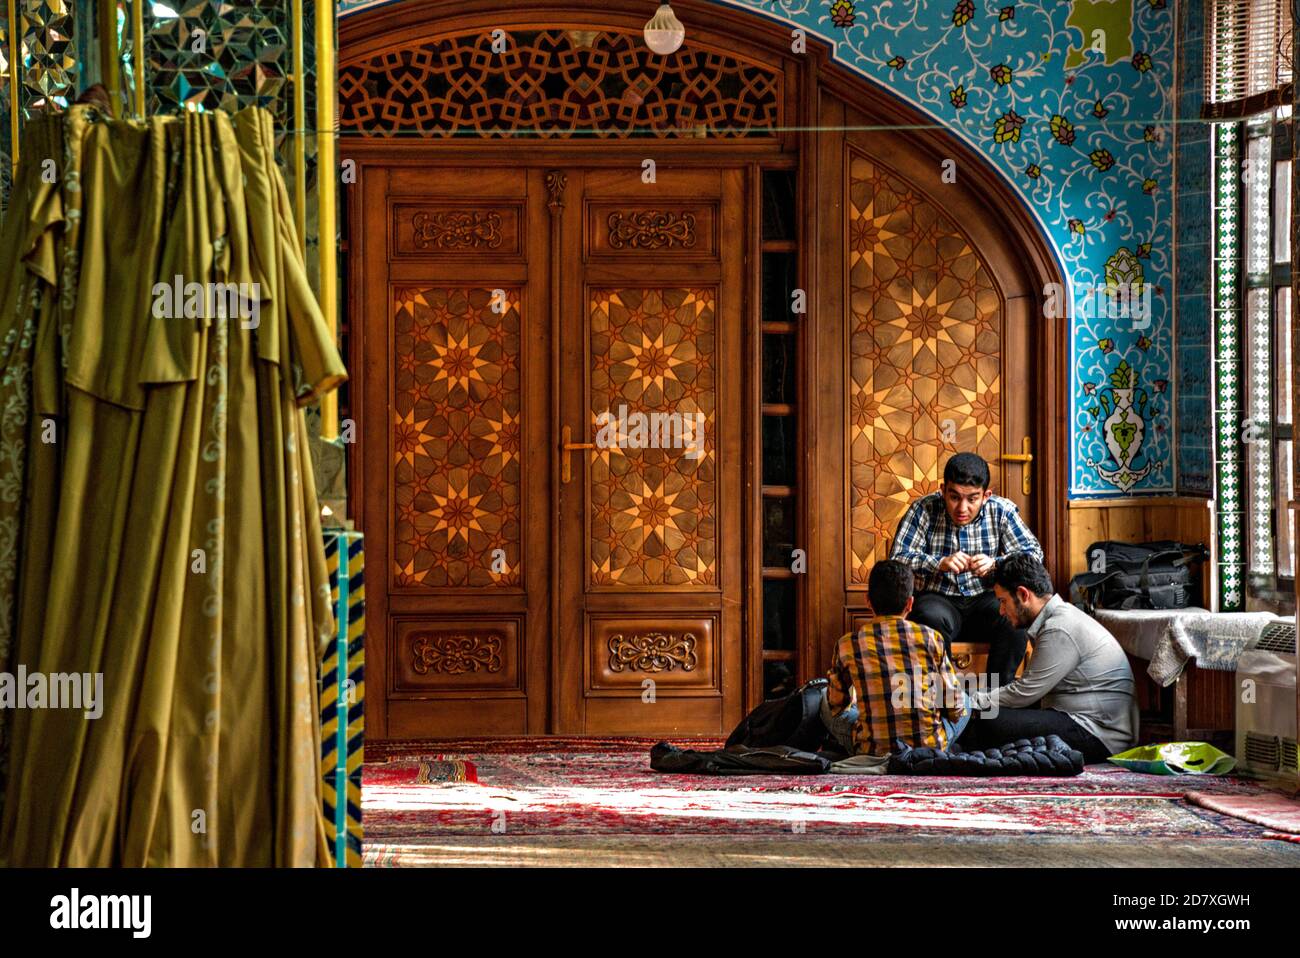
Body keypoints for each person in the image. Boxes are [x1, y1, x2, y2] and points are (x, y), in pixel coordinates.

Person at [960, 554, 1138, 764]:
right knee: (990, 715)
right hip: (1080, 720)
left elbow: (1025, 693)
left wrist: (968, 701)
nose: (1001, 610)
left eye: (1002, 601)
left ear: (1023, 594)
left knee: (988, 721)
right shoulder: (1057, 619)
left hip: (1099, 734)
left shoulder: (1059, 628)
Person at [889, 452, 1043, 684]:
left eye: (972, 499)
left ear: (986, 495)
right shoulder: (923, 509)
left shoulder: (1002, 511)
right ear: (943, 490)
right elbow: (897, 561)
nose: (962, 507)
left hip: (988, 600)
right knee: (928, 616)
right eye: (954, 497)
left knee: (1014, 617)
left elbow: (1033, 556)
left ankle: (996, 699)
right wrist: (938, 563)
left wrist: (996, 564)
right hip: (939, 600)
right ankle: (944, 701)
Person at [822, 560, 969, 756]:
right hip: (929, 749)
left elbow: (837, 706)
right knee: (965, 699)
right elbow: (954, 707)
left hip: (871, 751)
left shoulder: (848, 644)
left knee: (824, 699)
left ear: (868, 601)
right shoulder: (932, 638)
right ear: (910, 604)